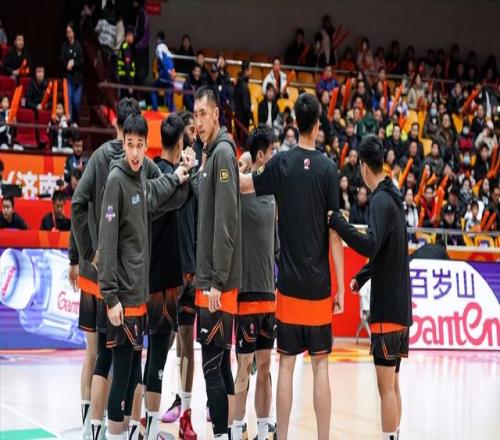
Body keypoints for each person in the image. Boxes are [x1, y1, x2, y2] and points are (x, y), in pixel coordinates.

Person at [71, 97, 189, 440]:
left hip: (139, 296)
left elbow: (158, 191)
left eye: (140, 145)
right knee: (119, 371)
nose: (135, 152)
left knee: (130, 370)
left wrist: (182, 175)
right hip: (120, 296)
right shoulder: (115, 180)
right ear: (122, 143)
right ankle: (107, 433)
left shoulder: (140, 179)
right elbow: (106, 244)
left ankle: (121, 433)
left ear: (146, 145)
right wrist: (109, 296)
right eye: (130, 145)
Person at [239, 93, 345, 440]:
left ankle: (281, 436)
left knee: (286, 364)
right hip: (319, 289)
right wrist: (341, 288)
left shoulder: (281, 163)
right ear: (318, 125)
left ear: (295, 124)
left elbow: (243, 185)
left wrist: (238, 162)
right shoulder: (329, 169)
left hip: (287, 288)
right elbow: (335, 234)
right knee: (320, 366)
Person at [329, 135, 411, 440]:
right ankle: (395, 435)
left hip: (386, 309)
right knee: (393, 384)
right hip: (401, 308)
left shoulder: (379, 199)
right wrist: (362, 276)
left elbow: (371, 244)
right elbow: (386, 251)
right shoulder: (395, 197)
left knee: (385, 387)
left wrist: (339, 223)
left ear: (363, 166)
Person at [190, 86, 242, 439]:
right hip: (212, 279)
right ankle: (231, 432)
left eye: (203, 114)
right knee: (221, 364)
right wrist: (195, 168)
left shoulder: (222, 153)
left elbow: (225, 222)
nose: (198, 121)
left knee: (212, 366)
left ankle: (223, 433)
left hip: (216, 283)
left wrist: (217, 282)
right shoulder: (211, 154)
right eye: (195, 115)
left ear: (216, 115)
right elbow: (206, 198)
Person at [142, 114, 196, 440]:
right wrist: (187, 174)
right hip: (164, 281)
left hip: (171, 275)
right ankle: (147, 427)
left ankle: (156, 422)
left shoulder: (157, 173)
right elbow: (179, 197)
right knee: (158, 355)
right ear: (179, 143)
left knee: (164, 350)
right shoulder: (164, 177)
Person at [233, 125, 278, 440]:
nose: (275, 157)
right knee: (243, 368)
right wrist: (245, 161)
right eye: (271, 152)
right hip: (246, 294)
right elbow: (226, 179)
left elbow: (276, 247)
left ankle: (263, 428)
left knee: (265, 368)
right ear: (261, 155)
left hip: (269, 296)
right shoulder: (239, 190)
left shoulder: (273, 193)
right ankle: (237, 428)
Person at [160, 110, 200, 429]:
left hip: (192, 269)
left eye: (195, 130)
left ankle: (186, 409)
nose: (192, 135)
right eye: (189, 130)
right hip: (169, 270)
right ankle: (151, 405)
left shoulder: (197, 170)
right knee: (164, 339)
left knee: (187, 339)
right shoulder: (165, 172)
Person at [60, 22, 84, 124]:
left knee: (76, 102)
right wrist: (67, 64)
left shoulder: (78, 46)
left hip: (77, 79)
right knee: (68, 101)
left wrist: (74, 62)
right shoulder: (64, 46)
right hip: (68, 78)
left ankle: (75, 121)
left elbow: (82, 61)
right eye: (67, 32)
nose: (68, 34)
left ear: (73, 33)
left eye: (70, 32)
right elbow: (61, 59)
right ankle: (69, 123)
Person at [151, 31, 175, 111]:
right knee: (169, 92)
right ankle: (171, 111)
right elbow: (171, 62)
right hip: (170, 75)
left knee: (153, 89)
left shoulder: (159, 48)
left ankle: (154, 110)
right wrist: (171, 72)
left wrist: (166, 71)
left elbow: (161, 60)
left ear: (158, 38)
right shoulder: (166, 49)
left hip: (164, 74)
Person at [233, 60, 253, 145]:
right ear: (246, 70)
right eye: (250, 69)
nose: (251, 71)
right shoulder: (244, 85)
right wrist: (251, 116)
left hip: (238, 117)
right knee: (243, 145)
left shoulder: (238, 82)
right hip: (243, 120)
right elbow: (246, 106)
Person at [116, 28, 136, 98]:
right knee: (126, 98)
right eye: (132, 36)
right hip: (126, 78)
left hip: (123, 77)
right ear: (128, 35)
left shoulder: (123, 46)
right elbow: (127, 66)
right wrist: (130, 83)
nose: (133, 39)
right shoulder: (126, 47)